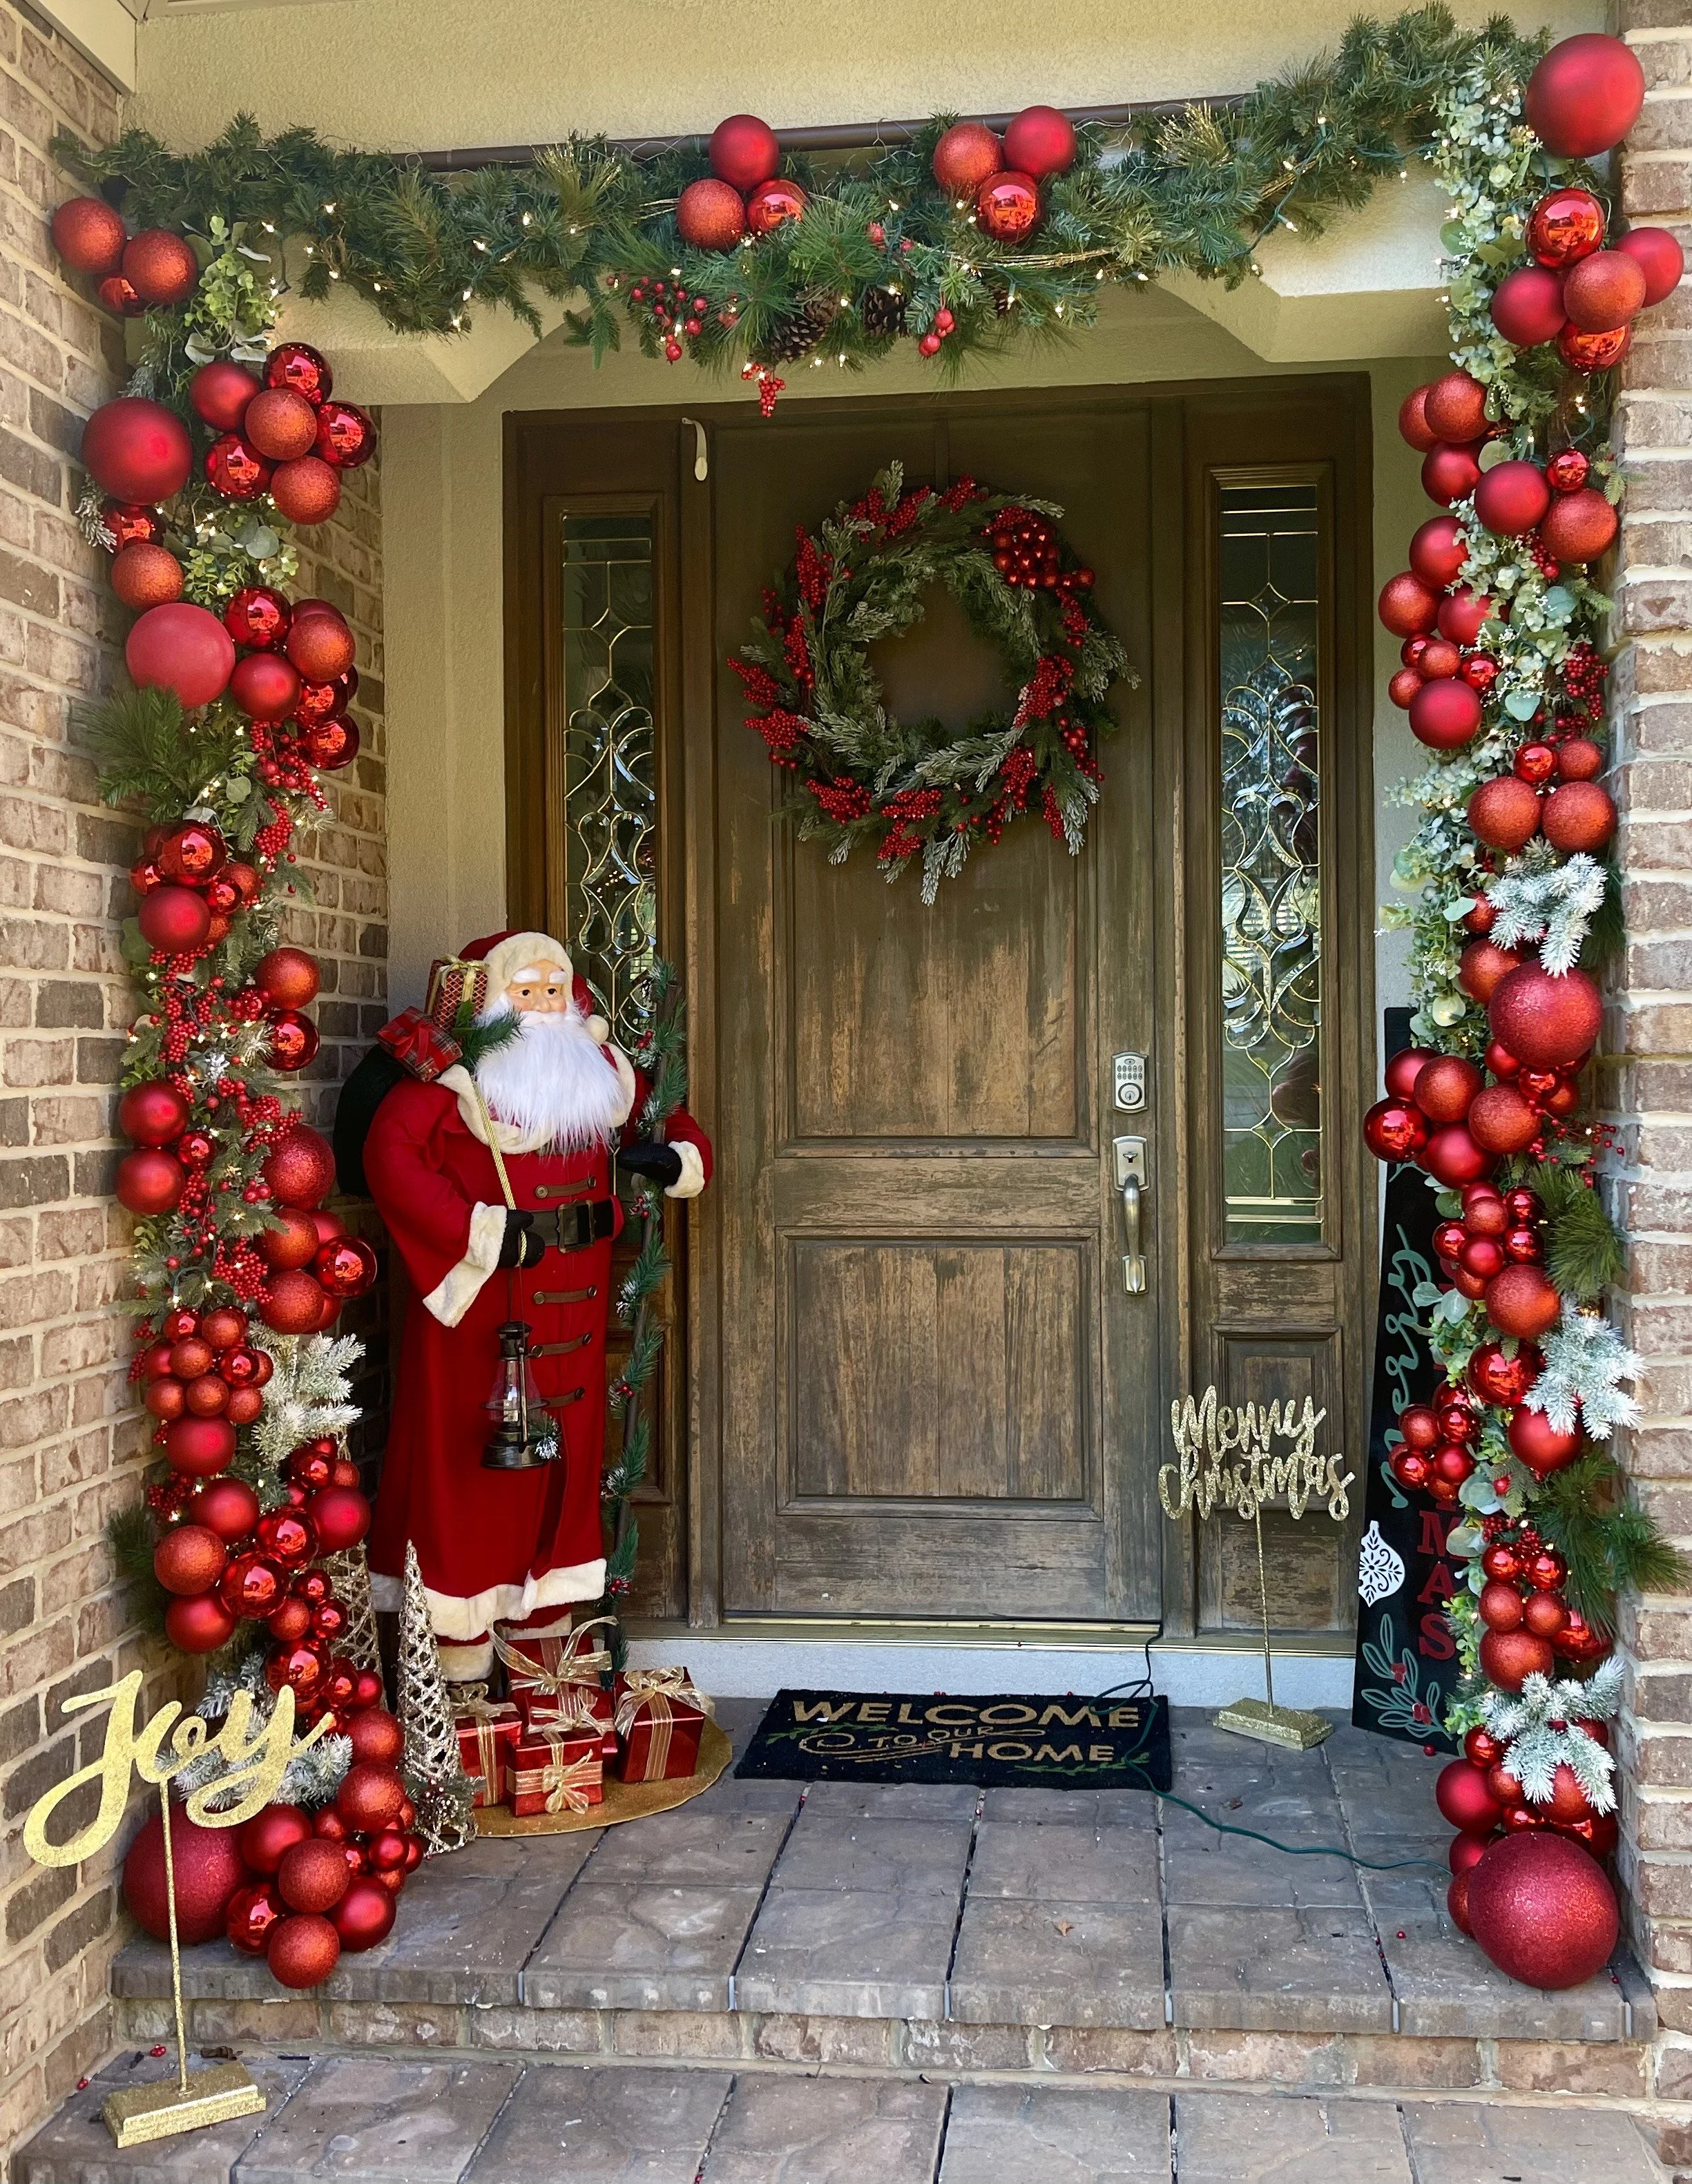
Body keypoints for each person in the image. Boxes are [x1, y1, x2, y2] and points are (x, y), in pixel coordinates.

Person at [348, 930, 709, 1680]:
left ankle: (544, 1643)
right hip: (481, 1307)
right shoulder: (451, 1079)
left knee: (558, 1468)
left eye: (555, 989)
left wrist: (676, 1155)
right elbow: (392, 1156)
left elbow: (664, 1114)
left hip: (570, 1314)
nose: (546, 1004)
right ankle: (459, 1655)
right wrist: (475, 1230)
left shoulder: (600, 1072)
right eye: (527, 991)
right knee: (467, 1467)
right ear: (491, 1000)